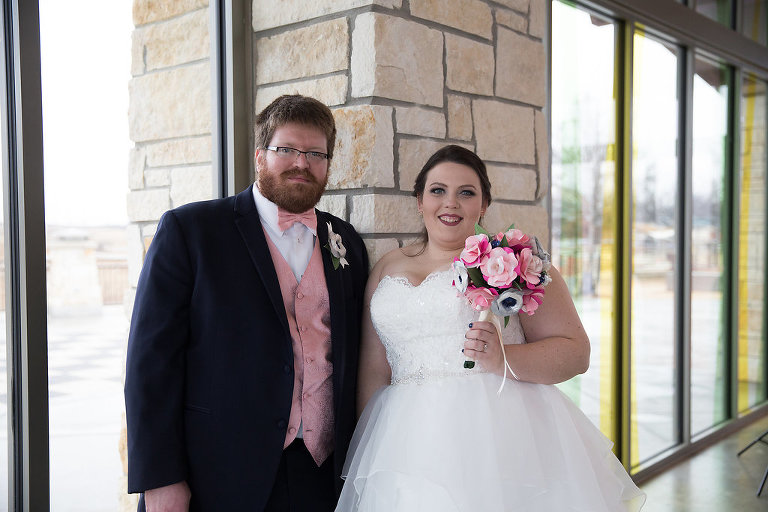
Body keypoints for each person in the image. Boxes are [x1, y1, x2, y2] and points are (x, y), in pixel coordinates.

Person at [335, 145, 646, 511]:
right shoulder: (387, 268)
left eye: (466, 193)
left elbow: (576, 353)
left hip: (497, 437)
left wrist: (503, 358)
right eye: (438, 191)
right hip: (405, 447)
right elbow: (374, 371)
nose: (450, 203)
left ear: (483, 205)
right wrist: (368, 451)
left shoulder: (514, 262)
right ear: (419, 200)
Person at [124, 94, 369, 511]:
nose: (301, 163)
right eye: (286, 150)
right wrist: (161, 479)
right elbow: (151, 363)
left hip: (322, 474)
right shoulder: (191, 230)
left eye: (315, 153)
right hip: (219, 473)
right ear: (260, 156)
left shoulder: (345, 242)